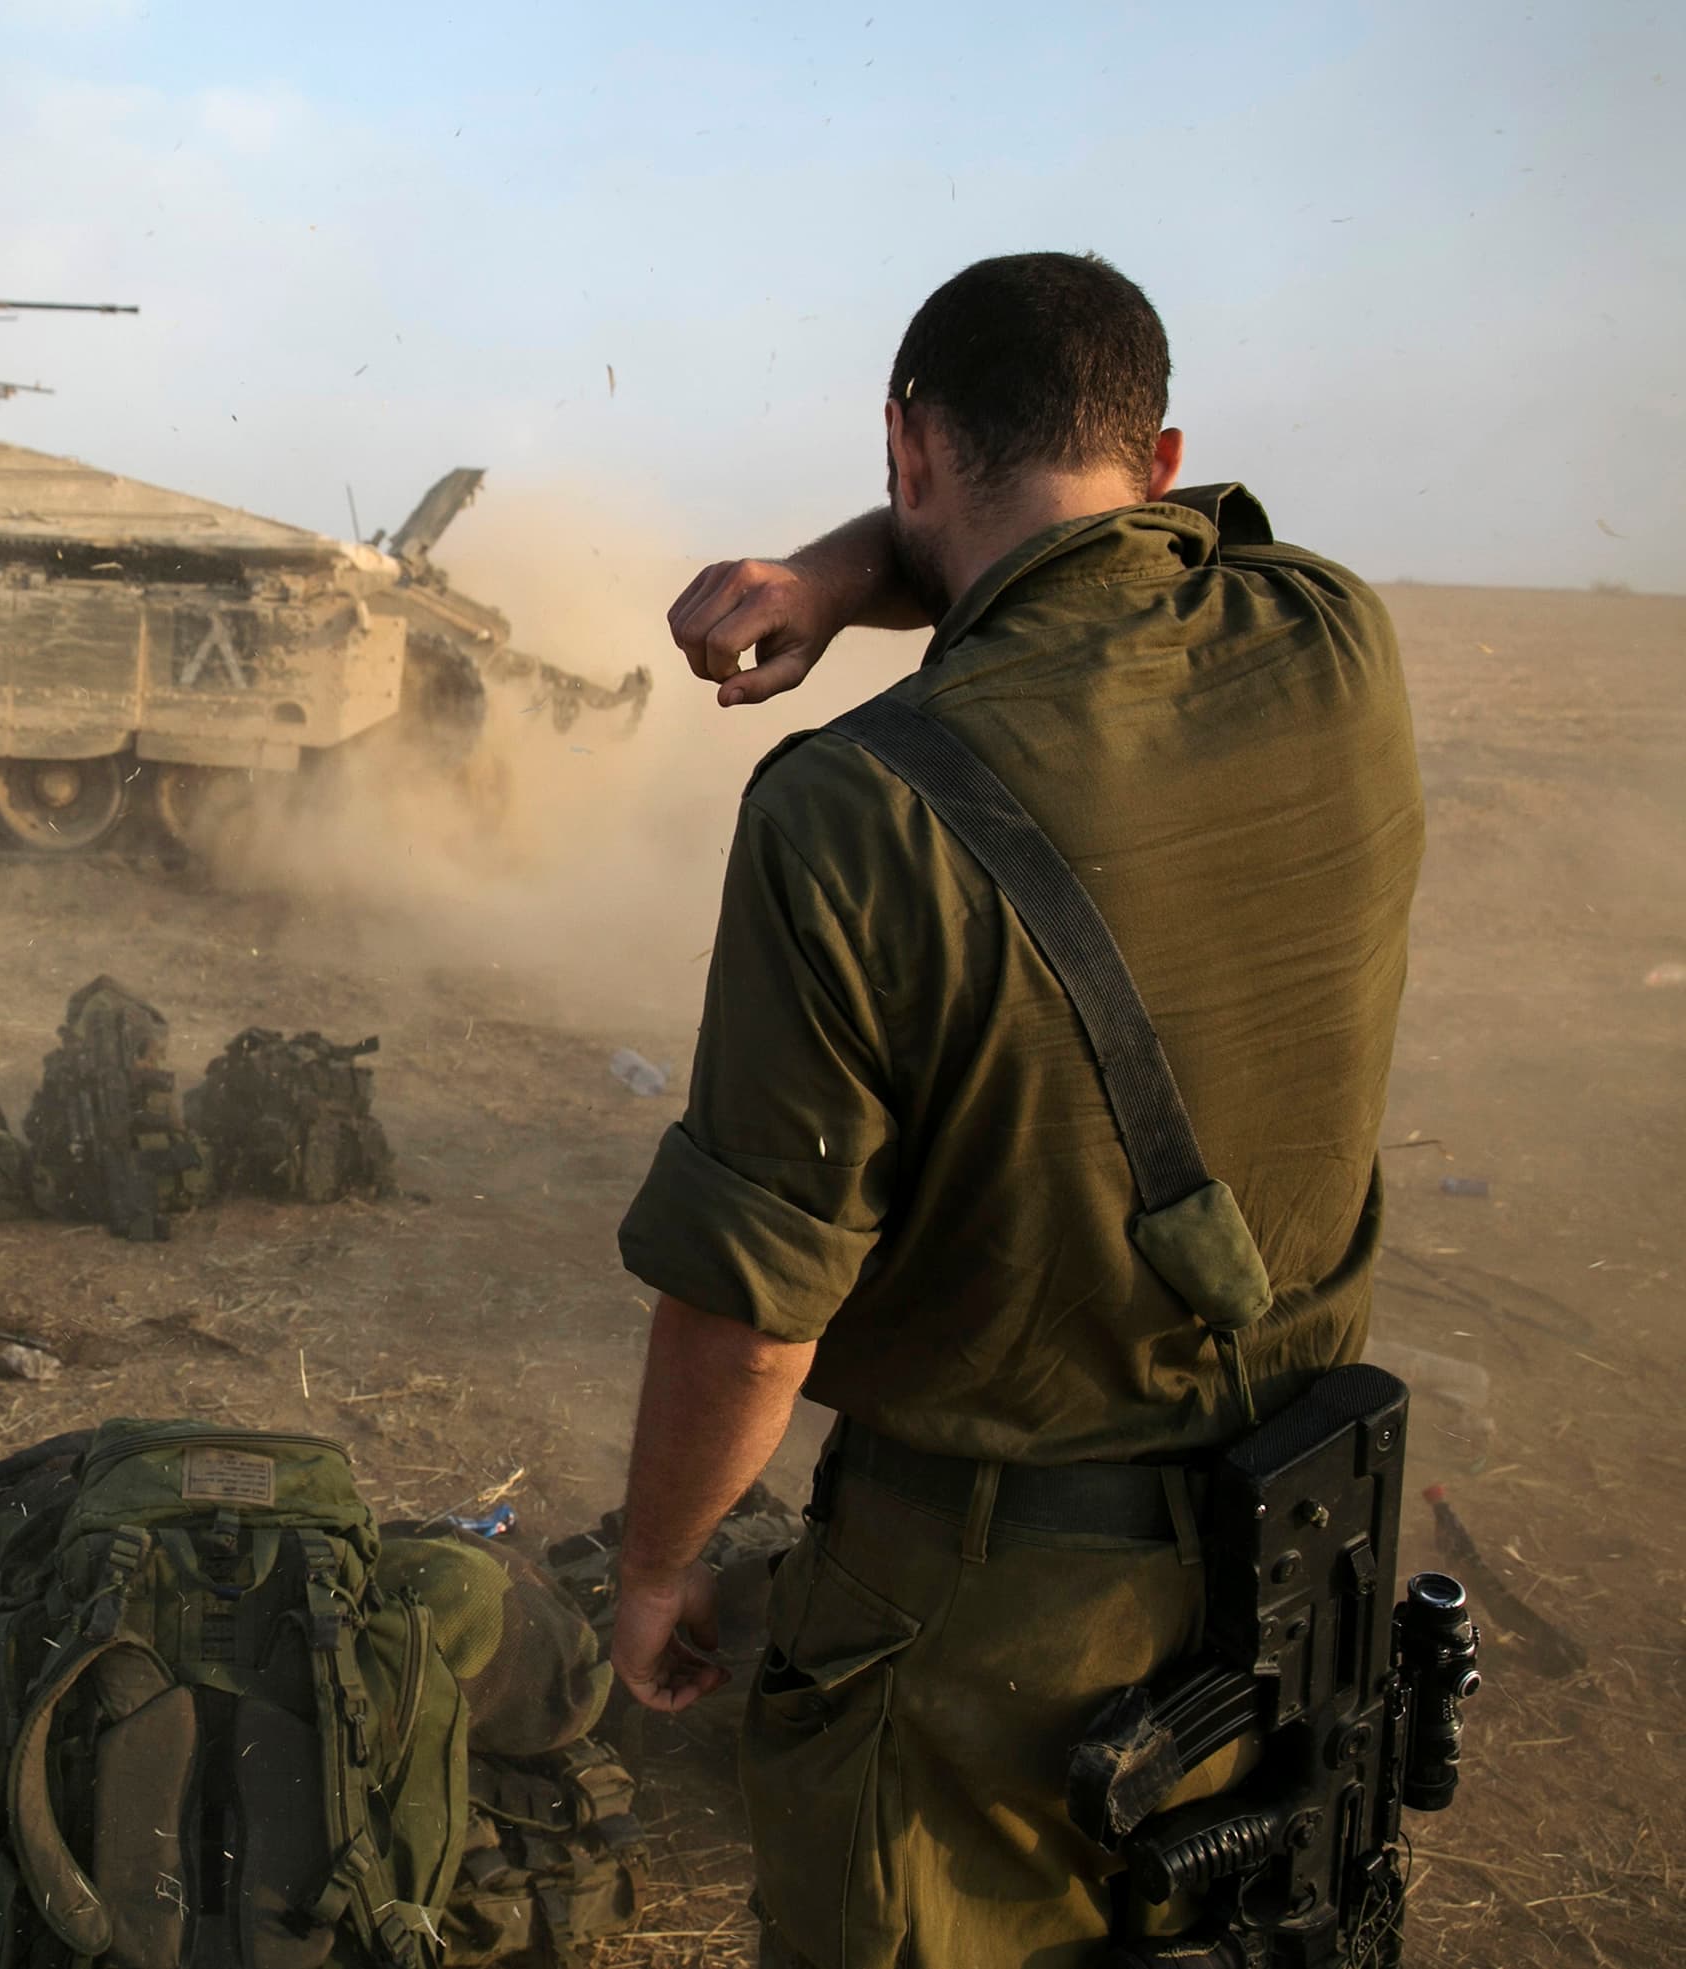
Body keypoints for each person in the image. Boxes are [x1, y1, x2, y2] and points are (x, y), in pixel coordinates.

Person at [606, 253, 1422, 1966]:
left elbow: (750, 1321)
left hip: (985, 1643)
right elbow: (1088, 547)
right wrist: (856, 567)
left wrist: (658, 1566)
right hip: (1294, 1571)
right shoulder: (1333, 638)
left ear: (907, 445)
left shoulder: (849, 810)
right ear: (1166, 455)